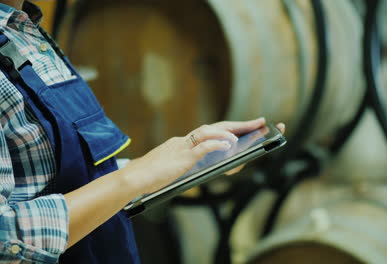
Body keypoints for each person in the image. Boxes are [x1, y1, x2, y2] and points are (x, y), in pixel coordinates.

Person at [0, 1, 285, 263]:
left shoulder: (23, 31)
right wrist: (136, 177)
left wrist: (192, 157)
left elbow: (72, 180)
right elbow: (5, 239)